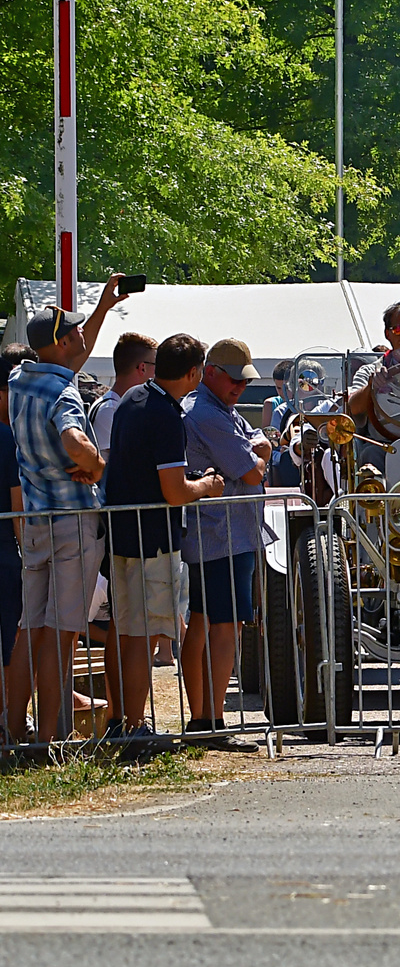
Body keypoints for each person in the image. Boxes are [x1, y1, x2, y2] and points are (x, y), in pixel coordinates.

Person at [8, 280, 127, 744]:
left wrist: (101, 309)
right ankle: (50, 738)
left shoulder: (22, 379)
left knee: (29, 629)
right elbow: (75, 439)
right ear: (61, 342)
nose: (82, 337)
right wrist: (97, 467)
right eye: (74, 333)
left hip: (36, 520)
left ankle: (15, 730)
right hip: (73, 522)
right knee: (61, 634)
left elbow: (69, 358)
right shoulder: (65, 393)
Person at [102, 335, 225, 736]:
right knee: (143, 635)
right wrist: (206, 485)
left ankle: (118, 720)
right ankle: (135, 727)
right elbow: (174, 493)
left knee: (124, 632)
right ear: (194, 372)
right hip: (151, 539)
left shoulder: (132, 397)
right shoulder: (166, 415)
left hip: (121, 533)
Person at [180, 339, 272, 743]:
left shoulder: (218, 409)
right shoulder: (208, 413)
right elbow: (252, 470)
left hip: (220, 531)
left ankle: (204, 716)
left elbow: (258, 440)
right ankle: (212, 720)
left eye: (244, 381)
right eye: (234, 380)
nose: (240, 388)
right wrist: (260, 457)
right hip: (222, 534)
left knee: (204, 622)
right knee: (224, 625)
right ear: (210, 372)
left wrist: (257, 451)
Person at [0, 346, 31, 743]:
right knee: (11, 639)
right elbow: (16, 501)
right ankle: (10, 722)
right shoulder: (7, 437)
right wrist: (29, 553)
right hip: (7, 553)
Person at [347, 300, 400, 436]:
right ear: (387, 334)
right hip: (383, 446)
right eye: (397, 329)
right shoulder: (369, 372)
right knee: (369, 455)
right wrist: (371, 387)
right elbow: (353, 408)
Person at [90, 332, 157, 461]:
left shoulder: (115, 406)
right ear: (142, 368)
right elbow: (131, 465)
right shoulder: (110, 410)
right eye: (156, 366)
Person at [261, 360, 293, 430]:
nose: (283, 392)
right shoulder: (270, 404)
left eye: (287, 388)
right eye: (279, 388)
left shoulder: (305, 405)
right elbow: (267, 434)